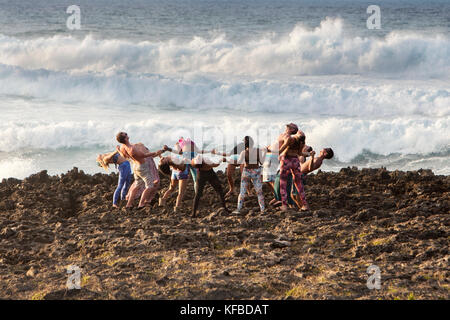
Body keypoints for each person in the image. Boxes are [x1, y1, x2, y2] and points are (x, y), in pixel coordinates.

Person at [116, 132, 164, 210]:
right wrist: (156, 152)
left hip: (135, 167)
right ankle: (141, 204)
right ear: (125, 138)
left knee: (137, 185)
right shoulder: (132, 148)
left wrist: (118, 150)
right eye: (125, 134)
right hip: (142, 167)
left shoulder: (122, 147)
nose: (126, 133)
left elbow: (123, 155)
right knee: (150, 185)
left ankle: (129, 204)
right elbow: (144, 155)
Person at [278, 131, 310, 211]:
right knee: (299, 183)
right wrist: (308, 154)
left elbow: (281, 150)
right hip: (295, 161)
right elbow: (300, 153)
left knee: (283, 183)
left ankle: (284, 206)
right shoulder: (301, 142)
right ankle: (305, 205)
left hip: (286, 160)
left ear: (298, 135)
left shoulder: (290, 139)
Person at [234, 136, 266, 214]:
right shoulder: (258, 151)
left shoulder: (244, 152)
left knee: (242, 192)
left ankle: (238, 209)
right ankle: (262, 209)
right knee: (259, 192)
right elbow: (262, 162)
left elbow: (238, 163)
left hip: (246, 172)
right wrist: (265, 152)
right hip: (256, 172)